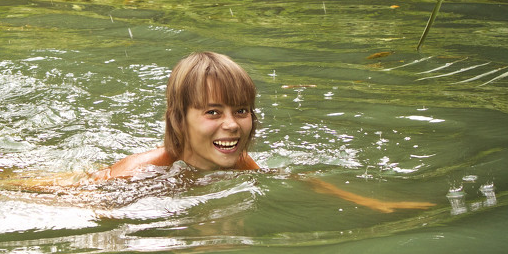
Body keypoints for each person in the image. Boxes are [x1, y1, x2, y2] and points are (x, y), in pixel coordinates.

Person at [88, 51, 434, 213]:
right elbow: (78, 203)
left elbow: (291, 177)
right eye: (212, 112)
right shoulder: (143, 172)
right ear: (179, 120)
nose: (232, 125)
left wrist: (368, 201)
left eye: (241, 111)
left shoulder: (239, 162)